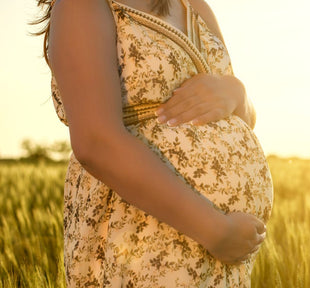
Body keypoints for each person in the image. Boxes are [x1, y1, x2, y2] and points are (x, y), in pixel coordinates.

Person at [34, 0, 274, 286]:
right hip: (146, 234)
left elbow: (242, 119)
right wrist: (215, 230)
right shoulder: (84, 6)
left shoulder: (195, 7)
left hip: (222, 253)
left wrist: (236, 93)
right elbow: (96, 142)